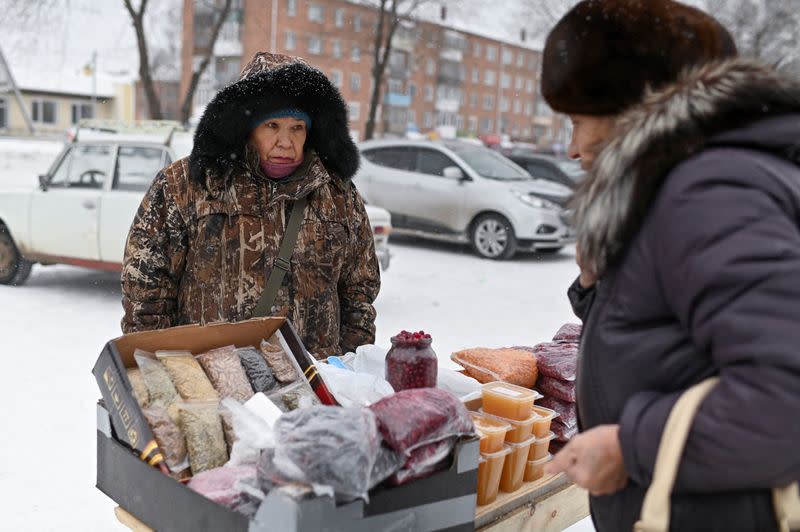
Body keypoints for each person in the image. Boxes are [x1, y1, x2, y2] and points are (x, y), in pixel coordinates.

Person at [540, 1, 800, 530]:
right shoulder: (681, 188)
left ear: (632, 106)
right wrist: (594, 288)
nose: (571, 148)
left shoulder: (707, 192)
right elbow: (670, 339)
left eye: (577, 120)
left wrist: (629, 446)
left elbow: (785, 399)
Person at [121, 52, 380, 358]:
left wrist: (346, 366)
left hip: (311, 386)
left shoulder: (338, 194)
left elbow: (359, 292)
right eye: (272, 125)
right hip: (216, 386)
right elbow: (147, 291)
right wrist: (167, 372)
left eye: (297, 127)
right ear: (246, 127)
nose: (286, 142)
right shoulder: (186, 184)